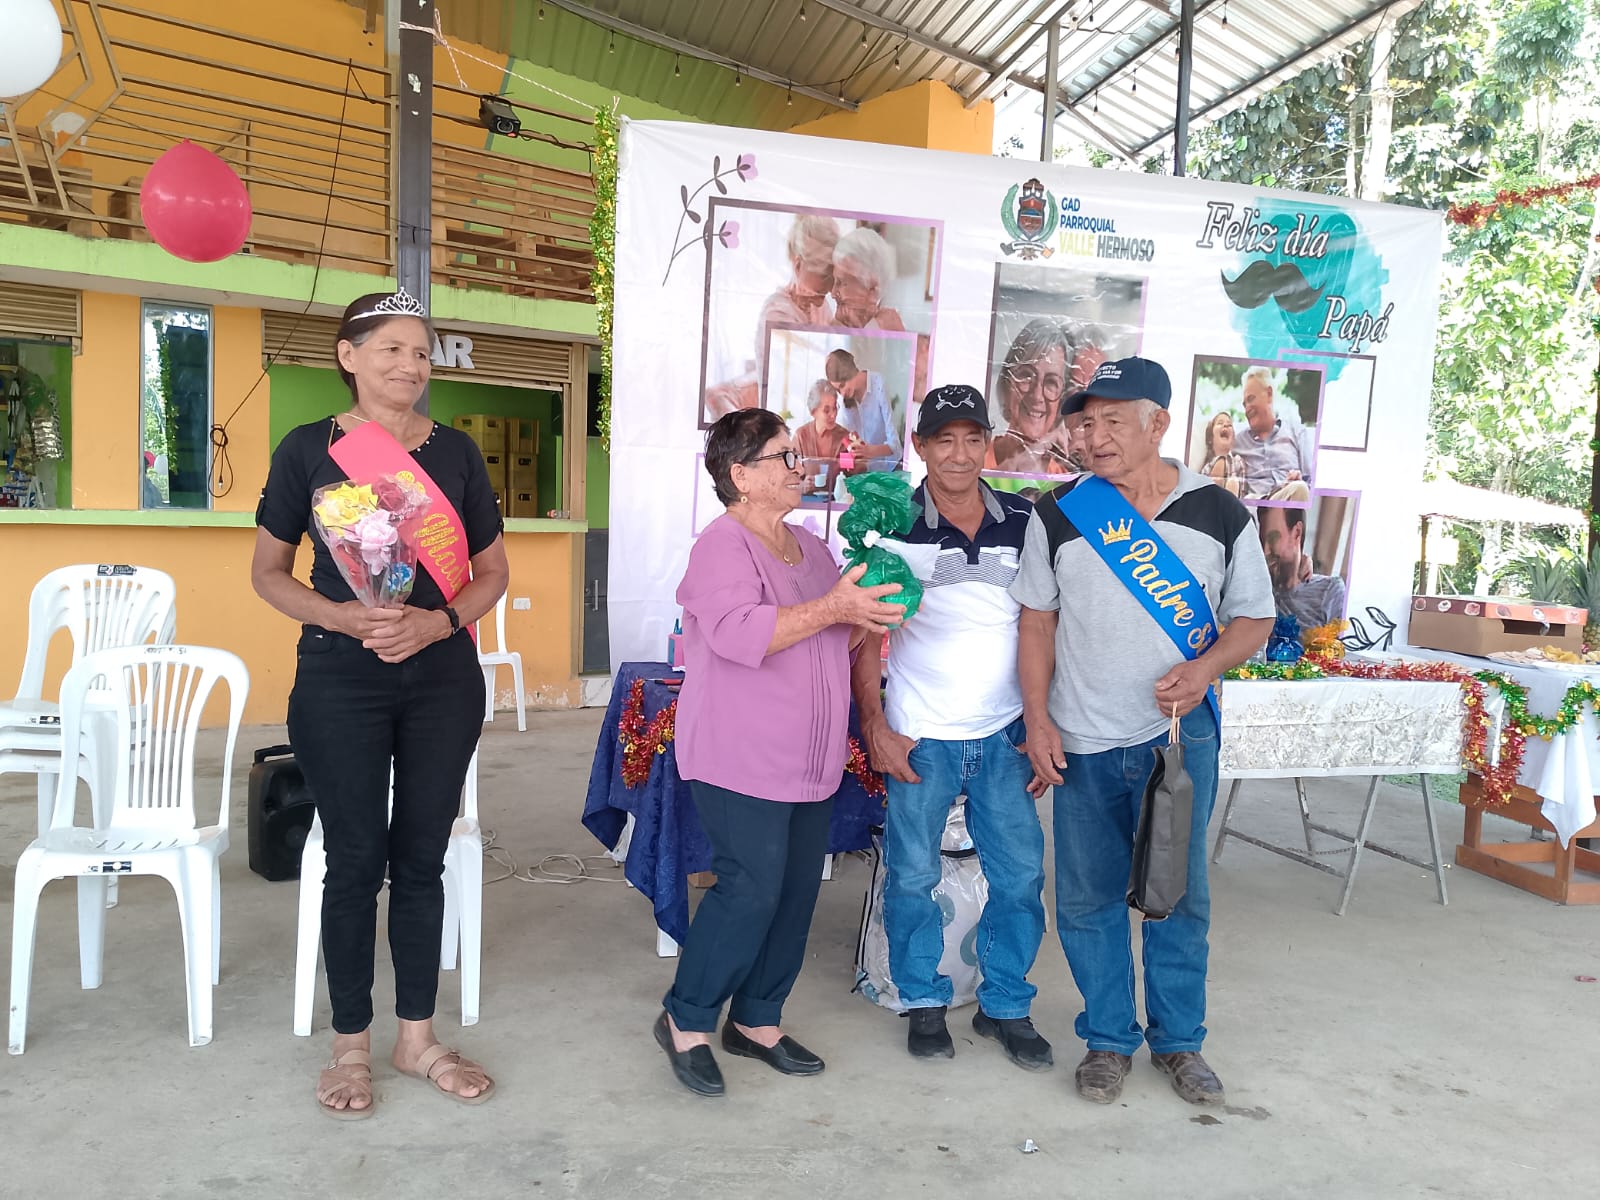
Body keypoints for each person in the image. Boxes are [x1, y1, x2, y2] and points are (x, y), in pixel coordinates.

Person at [252, 290, 510, 1119]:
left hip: (441, 676)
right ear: (349, 356)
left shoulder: (456, 454)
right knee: (355, 860)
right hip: (341, 675)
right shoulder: (307, 450)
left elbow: (492, 573)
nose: (410, 364)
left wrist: (438, 623)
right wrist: (342, 617)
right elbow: (267, 573)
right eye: (392, 348)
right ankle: (351, 1046)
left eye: (422, 351)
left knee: (423, 859)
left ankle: (417, 1039)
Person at [1010, 356, 1274, 1108]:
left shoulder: (1219, 512)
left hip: (1179, 742)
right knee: (1086, 900)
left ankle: (1179, 1042)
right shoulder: (1059, 513)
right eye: (1086, 423)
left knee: (1176, 897)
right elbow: (1037, 622)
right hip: (1083, 741)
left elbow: (1254, 617)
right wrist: (1037, 719)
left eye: (1113, 421)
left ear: (1159, 424)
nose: (1094, 437)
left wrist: (1206, 667)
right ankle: (1108, 1039)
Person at [654, 409, 905, 1097]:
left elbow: (839, 632)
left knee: (794, 895)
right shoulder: (722, 546)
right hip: (741, 756)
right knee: (750, 890)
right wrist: (835, 609)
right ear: (741, 475)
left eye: (796, 455)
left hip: (810, 758)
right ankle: (686, 1017)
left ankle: (757, 1019)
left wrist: (875, 608)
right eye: (784, 457)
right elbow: (743, 633)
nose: (801, 467)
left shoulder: (810, 547)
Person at [851, 384, 1050, 1069]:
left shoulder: (1025, 520)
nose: (960, 454)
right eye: (944, 440)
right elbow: (864, 636)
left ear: (988, 443)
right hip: (921, 736)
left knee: (1019, 877)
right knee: (912, 876)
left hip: (1003, 736)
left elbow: (1041, 625)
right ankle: (922, 1000)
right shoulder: (890, 522)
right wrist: (875, 724)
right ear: (921, 447)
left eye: (972, 439)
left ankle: (1006, 1005)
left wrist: (1040, 721)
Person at [986, 319, 1075, 475]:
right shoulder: (976, 459)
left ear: (1061, 399)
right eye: (1026, 376)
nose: (1037, 395)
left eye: (1051, 382)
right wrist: (1015, 465)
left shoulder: (1064, 475)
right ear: (1007, 384)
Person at [755, 214, 839, 359]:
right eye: (824, 275)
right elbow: (802, 363)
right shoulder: (777, 311)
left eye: (834, 274)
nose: (831, 289)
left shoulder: (822, 307)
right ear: (798, 265)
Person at [1259, 504, 1347, 629]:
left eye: (1273, 538)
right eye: (1262, 541)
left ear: (1297, 533)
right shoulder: (1259, 589)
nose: (1265, 551)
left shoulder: (1329, 590)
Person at [1235, 366, 1313, 501]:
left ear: (1269, 394)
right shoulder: (1237, 442)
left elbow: (1311, 481)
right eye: (1244, 404)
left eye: (1251, 399)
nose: (1247, 408)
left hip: (1289, 501)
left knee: (1300, 487)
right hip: (1256, 504)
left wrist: (1297, 481)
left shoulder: (1296, 431)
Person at [826, 348, 901, 471]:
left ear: (849, 371)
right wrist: (846, 466)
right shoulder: (846, 403)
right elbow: (849, 444)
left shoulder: (878, 384)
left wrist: (869, 451)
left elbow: (895, 445)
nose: (842, 393)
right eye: (838, 390)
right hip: (866, 472)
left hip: (891, 469)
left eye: (842, 385)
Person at [831, 227, 904, 331]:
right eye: (834, 281)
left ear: (872, 288)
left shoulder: (889, 328)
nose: (833, 293)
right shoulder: (831, 327)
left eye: (841, 282)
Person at [1201, 412, 1246, 496]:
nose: (1225, 425)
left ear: (1233, 440)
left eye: (1229, 425)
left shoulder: (1238, 461)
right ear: (1210, 438)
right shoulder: (1207, 467)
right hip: (1211, 499)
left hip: (1233, 499)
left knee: (1233, 482)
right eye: (1220, 423)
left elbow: (1242, 492)